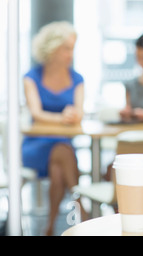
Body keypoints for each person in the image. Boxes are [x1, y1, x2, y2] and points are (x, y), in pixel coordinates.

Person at [22, 21, 87, 235]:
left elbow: (79, 111)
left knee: (59, 164)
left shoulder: (77, 79)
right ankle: (82, 209)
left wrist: (75, 114)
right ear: (52, 48)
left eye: (72, 48)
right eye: (66, 48)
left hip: (63, 144)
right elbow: (36, 114)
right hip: (36, 144)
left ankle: (49, 227)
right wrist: (62, 118)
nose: (71, 54)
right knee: (63, 153)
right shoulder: (32, 77)